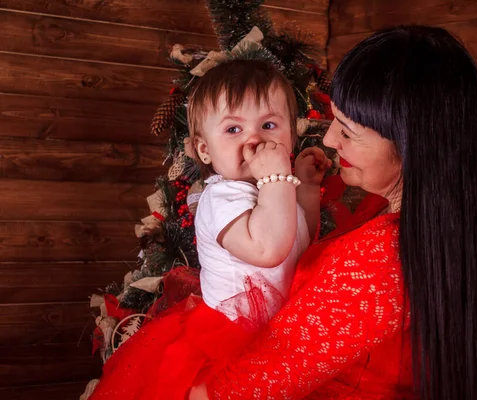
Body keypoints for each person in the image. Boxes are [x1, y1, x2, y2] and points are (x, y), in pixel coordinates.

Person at [190, 25, 477, 400]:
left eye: (347, 130)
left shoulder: (380, 254)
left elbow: (254, 385)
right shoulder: (412, 218)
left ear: (412, 144)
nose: (328, 140)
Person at [89, 59, 330, 400]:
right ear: (205, 149)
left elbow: (300, 234)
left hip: (280, 333)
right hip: (231, 337)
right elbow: (268, 249)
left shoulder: (274, 187)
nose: (254, 140)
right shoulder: (222, 198)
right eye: (233, 130)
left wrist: (304, 186)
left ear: (291, 135)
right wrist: (277, 178)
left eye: (270, 125)